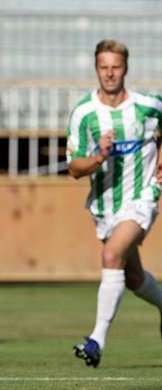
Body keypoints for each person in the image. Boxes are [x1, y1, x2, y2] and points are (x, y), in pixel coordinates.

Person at [67, 40, 162, 367]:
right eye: (104, 67)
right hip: (105, 206)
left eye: (116, 66)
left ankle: (96, 340)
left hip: (143, 197)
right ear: (97, 69)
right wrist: (99, 157)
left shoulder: (148, 106)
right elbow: (74, 168)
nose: (110, 73)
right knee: (133, 277)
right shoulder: (84, 113)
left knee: (111, 256)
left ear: (125, 68)